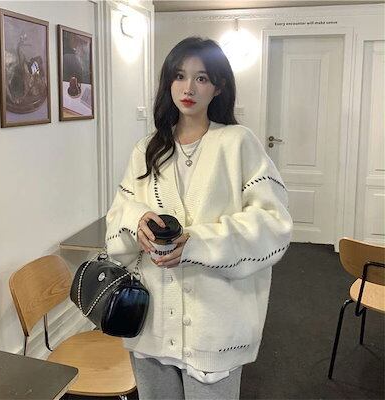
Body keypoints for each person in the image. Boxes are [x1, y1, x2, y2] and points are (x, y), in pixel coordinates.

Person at [106, 36, 293, 400]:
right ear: (168, 83)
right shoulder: (147, 150)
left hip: (214, 322)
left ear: (218, 87)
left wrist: (198, 242)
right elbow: (118, 214)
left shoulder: (238, 143)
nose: (188, 88)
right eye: (179, 76)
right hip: (153, 321)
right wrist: (137, 220)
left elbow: (274, 223)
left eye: (201, 78)